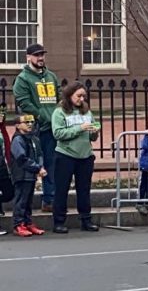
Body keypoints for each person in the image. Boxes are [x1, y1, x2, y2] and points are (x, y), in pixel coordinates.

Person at [12, 43, 59, 213]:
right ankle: (25, 207)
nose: (40, 58)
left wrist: (57, 118)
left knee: (51, 164)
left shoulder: (52, 76)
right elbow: (25, 104)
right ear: (28, 57)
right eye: (36, 55)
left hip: (52, 129)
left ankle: (49, 200)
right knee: (35, 165)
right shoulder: (23, 79)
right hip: (35, 128)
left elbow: (59, 98)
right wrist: (46, 116)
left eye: (42, 55)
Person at [51, 82, 100, 233]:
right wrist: (79, 128)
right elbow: (58, 133)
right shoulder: (59, 112)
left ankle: (86, 220)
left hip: (85, 155)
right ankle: (59, 221)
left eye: (83, 96)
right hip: (65, 155)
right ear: (69, 95)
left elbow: (92, 136)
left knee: (84, 189)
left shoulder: (86, 111)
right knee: (61, 189)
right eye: (78, 96)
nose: (81, 99)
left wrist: (94, 130)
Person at [10, 113, 45, 237]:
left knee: (28, 200)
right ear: (18, 125)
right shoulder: (18, 139)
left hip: (31, 175)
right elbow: (21, 158)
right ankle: (18, 224)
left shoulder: (34, 139)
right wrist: (37, 168)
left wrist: (40, 166)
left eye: (32, 122)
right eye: (27, 122)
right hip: (21, 175)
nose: (30, 125)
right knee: (21, 200)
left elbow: (40, 154)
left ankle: (28, 222)